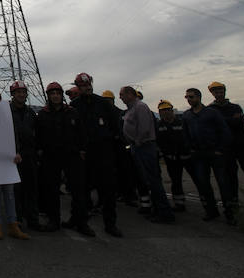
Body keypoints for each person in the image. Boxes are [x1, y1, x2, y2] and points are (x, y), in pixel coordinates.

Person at [36, 82, 92, 236]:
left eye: (58, 93)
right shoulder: (43, 114)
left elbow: (82, 133)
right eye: (52, 93)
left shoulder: (72, 112)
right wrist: (40, 153)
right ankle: (54, 220)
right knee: (52, 190)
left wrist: (82, 150)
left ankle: (80, 221)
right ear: (48, 96)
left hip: (72, 156)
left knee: (78, 190)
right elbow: (38, 137)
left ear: (61, 95)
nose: (55, 96)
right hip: (51, 157)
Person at [69, 72, 122, 237]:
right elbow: (72, 131)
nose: (87, 87)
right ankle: (81, 223)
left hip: (104, 153)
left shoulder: (103, 104)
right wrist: (79, 149)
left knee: (107, 190)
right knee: (82, 191)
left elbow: (116, 126)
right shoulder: (75, 106)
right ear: (79, 87)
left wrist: (113, 146)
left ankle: (110, 224)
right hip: (84, 156)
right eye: (83, 85)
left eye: (89, 84)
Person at [120, 86, 174, 223]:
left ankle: (164, 213)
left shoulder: (140, 107)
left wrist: (137, 142)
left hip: (144, 147)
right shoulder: (132, 108)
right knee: (148, 181)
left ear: (130, 94)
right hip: (138, 147)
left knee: (153, 180)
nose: (120, 97)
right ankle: (157, 210)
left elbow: (144, 129)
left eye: (122, 95)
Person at [182, 87, 235, 224]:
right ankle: (211, 211)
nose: (189, 100)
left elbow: (224, 131)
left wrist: (220, 149)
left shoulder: (212, 113)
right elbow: (185, 134)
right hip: (198, 154)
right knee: (203, 183)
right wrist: (191, 149)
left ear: (199, 97)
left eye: (191, 97)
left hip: (214, 152)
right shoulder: (187, 115)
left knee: (223, 183)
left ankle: (230, 212)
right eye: (187, 97)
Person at [0, 84, 28, 240]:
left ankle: (12, 224)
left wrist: (16, 151)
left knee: (9, 193)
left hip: (7, 157)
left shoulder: (7, 110)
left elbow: (13, 133)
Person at [208, 81, 244, 198]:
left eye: (220, 91)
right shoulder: (210, 110)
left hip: (242, 146)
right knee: (230, 177)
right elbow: (214, 128)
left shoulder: (235, 107)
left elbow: (239, 123)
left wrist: (222, 121)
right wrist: (230, 120)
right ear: (212, 93)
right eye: (216, 91)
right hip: (226, 149)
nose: (219, 94)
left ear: (224, 91)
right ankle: (234, 202)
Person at [9, 80, 40, 232]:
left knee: (31, 189)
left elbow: (37, 134)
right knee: (17, 191)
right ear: (13, 95)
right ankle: (17, 220)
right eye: (17, 92)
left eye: (23, 92)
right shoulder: (6, 111)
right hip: (14, 157)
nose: (21, 94)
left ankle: (33, 219)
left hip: (29, 156)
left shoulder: (31, 113)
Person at [155, 99, 196, 211]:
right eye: (162, 111)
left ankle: (208, 204)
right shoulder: (159, 126)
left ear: (172, 110)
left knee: (198, 179)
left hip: (187, 157)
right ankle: (179, 203)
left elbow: (190, 137)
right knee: (176, 181)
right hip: (171, 159)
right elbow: (158, 142)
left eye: (167, 110)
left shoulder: (181, 122)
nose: (165, 112)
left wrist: (190, 151)